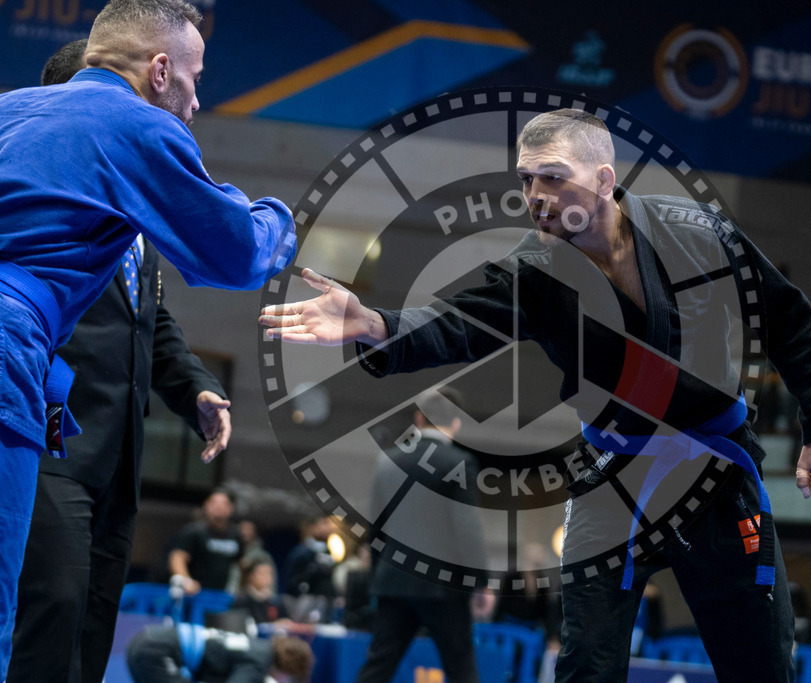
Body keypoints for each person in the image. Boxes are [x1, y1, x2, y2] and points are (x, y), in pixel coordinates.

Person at [260, 108, 811, 682]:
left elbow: (786, 316)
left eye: (553, 177)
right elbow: (458, 322)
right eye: (526, 179)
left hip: (716, 471)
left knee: (760, 662)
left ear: (603, 179)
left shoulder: (693, 232)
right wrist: (378, 325)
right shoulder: (534, 271)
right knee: (585, 664)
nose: (536, 194)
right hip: (612, 476)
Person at [0, 0, 296, 675]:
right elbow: (234, 255)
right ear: (161, 71)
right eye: (195, 78)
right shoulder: (136, 124)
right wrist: (281, 218)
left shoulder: (10, 109)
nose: (197, 100)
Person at [355, 388, 491, 683]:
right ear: (456, 423)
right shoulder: (458, 461)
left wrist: (378, 576)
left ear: (418, 418)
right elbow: (465, 527)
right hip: (442, 587)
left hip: (393, 581)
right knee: (461, 668)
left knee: (378, 667)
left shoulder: (388, 460)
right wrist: (481, 582)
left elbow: (377, 527)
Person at [125, 623, 314, 682]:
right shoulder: (259, 665)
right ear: (290, 668)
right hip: (159, 651)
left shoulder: (260, 646)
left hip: (147, 639)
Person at [168, 489, 244, 594]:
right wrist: (186, 581)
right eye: (214, 503)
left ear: (231, 508)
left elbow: (241, 564)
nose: (219, 507)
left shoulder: (236, 534)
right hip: (194, 594)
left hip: (221, 594)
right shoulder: (194, 531)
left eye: (224, 504)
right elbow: (177, 557)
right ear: (206, 506)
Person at [284, 515, 339, 600]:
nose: (328, 528)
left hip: (325, 603)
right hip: (305, 603)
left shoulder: (328, 552)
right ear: (313, 527)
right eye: (324, 524)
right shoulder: (301, 553)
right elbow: (291, 582)